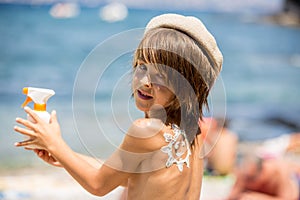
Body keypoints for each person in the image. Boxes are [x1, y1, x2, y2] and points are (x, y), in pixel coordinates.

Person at [13, 13, 223, 199]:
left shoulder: (146, 130)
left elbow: (98, 185)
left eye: (160, 75)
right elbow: (129, 174)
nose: (145, 81)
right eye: (142, 66)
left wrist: (55, 143)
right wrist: (64, 156)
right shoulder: (192, 130)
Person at [226, 155, 300, 200]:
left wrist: (260, 198)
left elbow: (291, 198)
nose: (249, 184)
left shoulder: (280, 172)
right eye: (246, 179)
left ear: (263, 171)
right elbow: (231, 196)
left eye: (252, 179)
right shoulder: (244, 175)